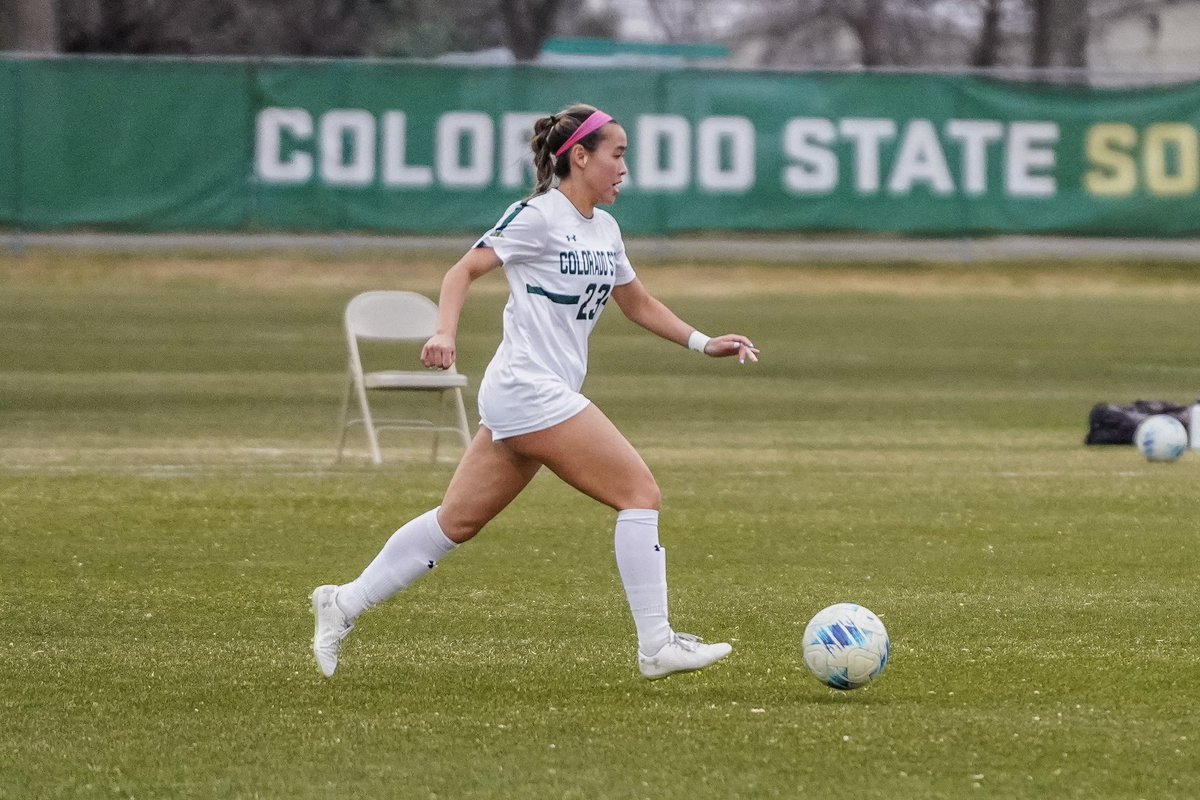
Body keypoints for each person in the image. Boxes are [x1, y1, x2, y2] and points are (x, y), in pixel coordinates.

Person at [311, 103, 759, 681]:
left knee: (456, 523)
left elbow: (637, 304)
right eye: (617, 155)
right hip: (528, 388)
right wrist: (443, 331)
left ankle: (341, 603)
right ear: (580, 156)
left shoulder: (606, 228)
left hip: (531, 396)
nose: (625, 169)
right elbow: (461, 272)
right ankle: (656, 645)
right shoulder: (537, 216)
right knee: (639, 494)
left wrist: (704, 342)